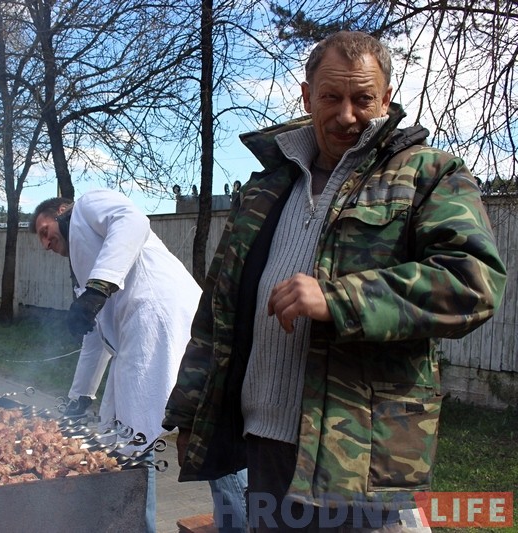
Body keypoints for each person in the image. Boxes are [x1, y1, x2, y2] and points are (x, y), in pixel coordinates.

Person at [163, 30, 506, 532]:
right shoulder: (265, 187)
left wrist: (340, 298)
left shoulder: (428, 174)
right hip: (266, 447)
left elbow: (472, 281)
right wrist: (191, 407)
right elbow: (219, 308)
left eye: (362, 98)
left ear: (386, 98)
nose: (346, 114)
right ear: (307, 96)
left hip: (358, 456)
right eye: (331, 97)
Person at [30, 189, 202, 533]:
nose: (45, 244)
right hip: (147, 328)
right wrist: (81, 396)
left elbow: (133, 221)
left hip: (156, 317)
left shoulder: (87, 206)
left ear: (61, 210)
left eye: (43, 231)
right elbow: (96, 338)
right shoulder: (85, 266)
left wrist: (97, 288)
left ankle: (141, 527)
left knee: (132, 439)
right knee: (124, 436)